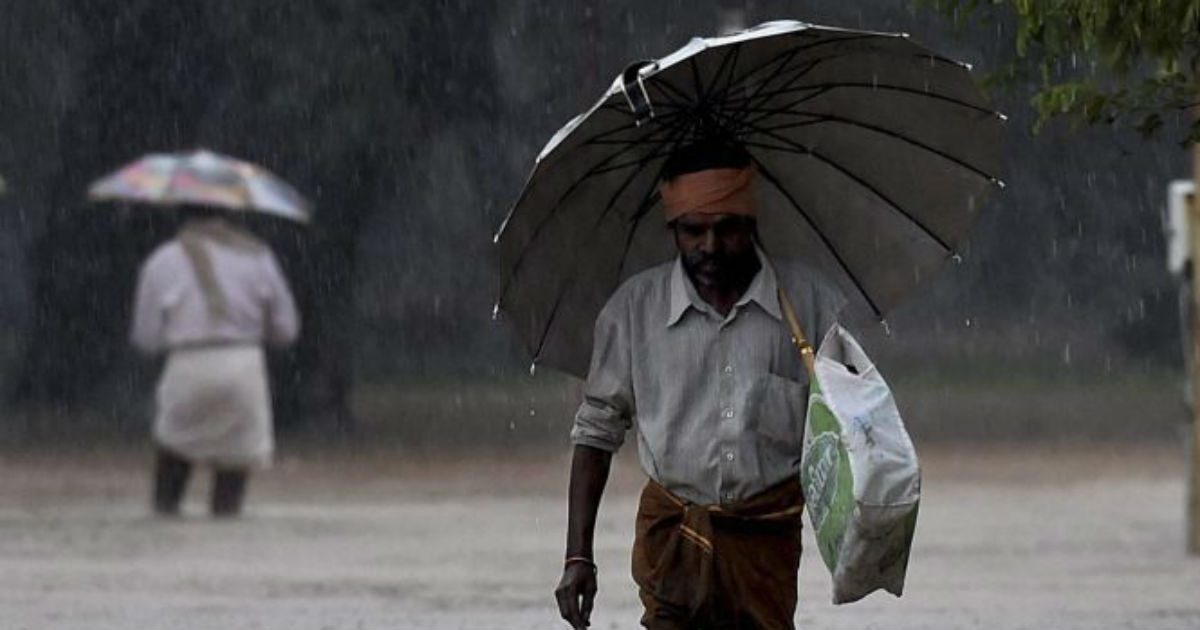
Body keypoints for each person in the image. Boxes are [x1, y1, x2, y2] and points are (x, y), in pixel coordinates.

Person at [554, 140, 843, 629]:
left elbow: (851, 432)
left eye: (727, 228)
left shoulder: (810, 308)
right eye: (693, 231)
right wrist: (577, 557)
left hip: (765, 552)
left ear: (751, 224)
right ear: (673, 229)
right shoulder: (633, 312)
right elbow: (595, 434)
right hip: (672, 547)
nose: (709, 246)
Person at [130, 206, 299, 517]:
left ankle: (167, 514)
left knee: (174, 451)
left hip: (187, 363)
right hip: (243, 363)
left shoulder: (162, 260)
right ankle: (226, 524)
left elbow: (146, 337)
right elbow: (286, 329)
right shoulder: (259, 257)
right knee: (235, 462)